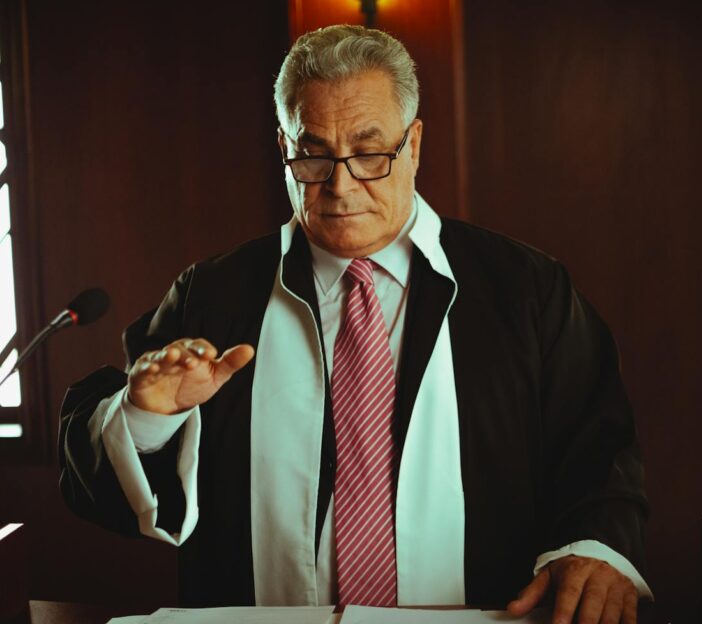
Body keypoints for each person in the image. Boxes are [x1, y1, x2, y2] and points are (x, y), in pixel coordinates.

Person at [59, 24, 650, 624]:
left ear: (413, 144)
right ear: (284, 149)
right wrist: (148, 419)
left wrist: (591, 551)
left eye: (369, 153)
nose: (340, 186)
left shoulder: (525, 289)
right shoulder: (213, 295)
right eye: (313, 154)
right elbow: (97, 483)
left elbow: (598, 449)